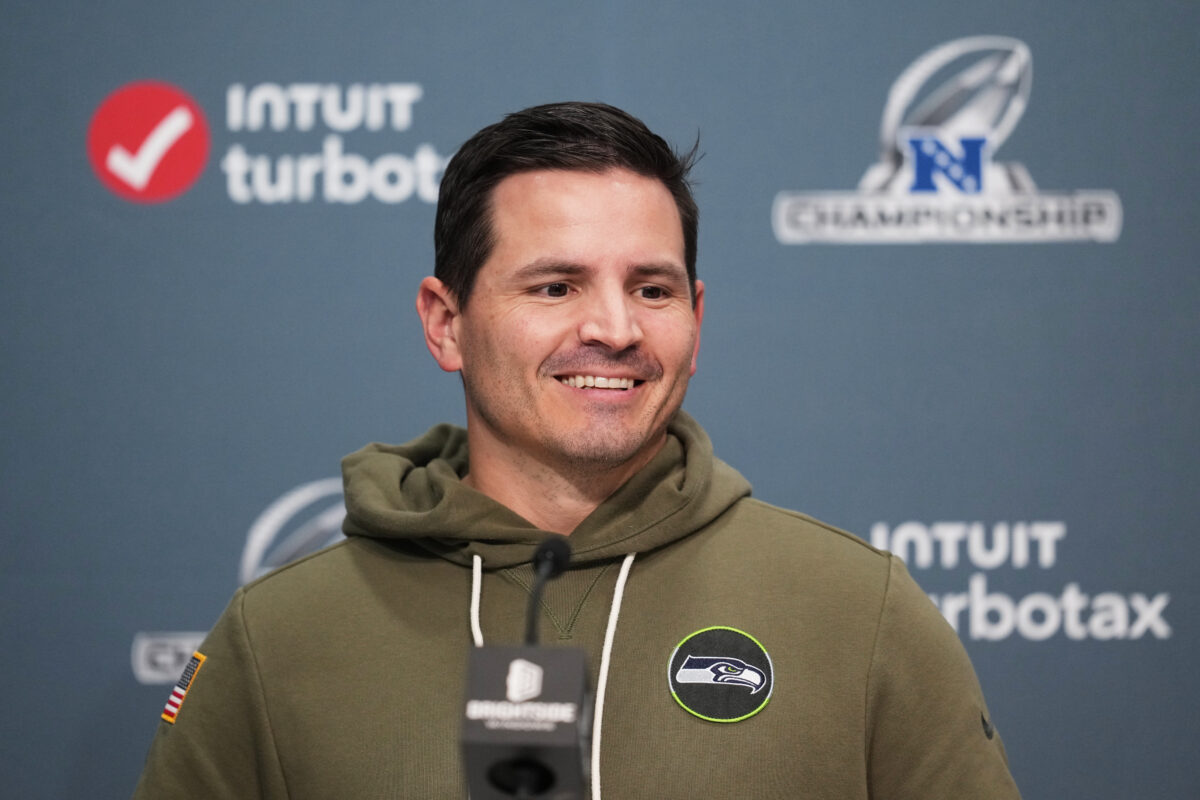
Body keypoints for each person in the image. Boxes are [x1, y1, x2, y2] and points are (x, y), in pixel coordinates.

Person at [133, 102, 1020, 799]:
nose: (615, 328)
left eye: (652, 289)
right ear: (445, 324)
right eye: (556, 286)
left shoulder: (860, 613)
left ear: (697, 320)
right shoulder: (278, 638)